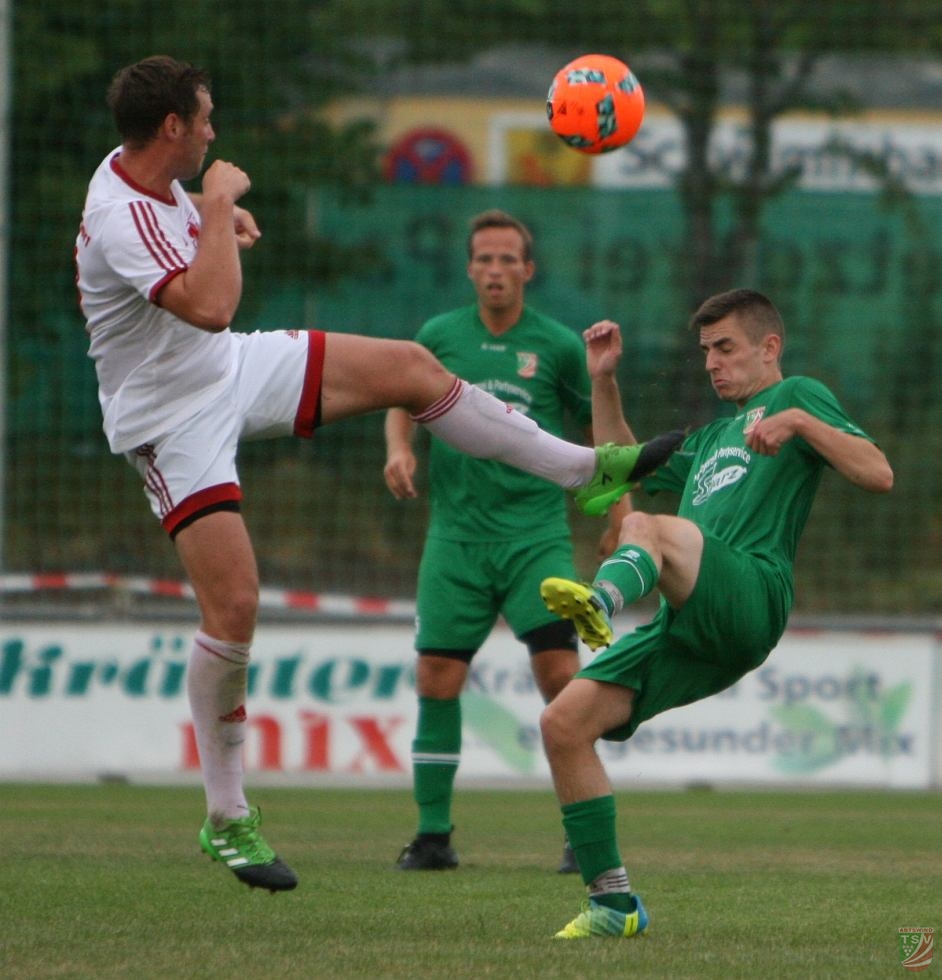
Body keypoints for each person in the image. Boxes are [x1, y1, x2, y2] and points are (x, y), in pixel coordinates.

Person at [74, 55, 682, 894]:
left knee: (409, 364)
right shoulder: (118, 211)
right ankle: (226, 818)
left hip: (224, 369)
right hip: (166, 422)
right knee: (235, 606)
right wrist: (219, 206)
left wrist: (219, 224)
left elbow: (208, 298)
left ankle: (586, 469)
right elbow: (212, 302)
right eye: (206, 118)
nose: (215, 131)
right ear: (173, 128)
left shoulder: (155, 180)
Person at [538, 289, 893, 938]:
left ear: (769, 348)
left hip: (753, 595)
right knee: (563, 723)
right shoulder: (709, 440)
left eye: (725, 348)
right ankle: (613, 905)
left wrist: (803, 425)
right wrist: (604, 380)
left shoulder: (797, 395)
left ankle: (602, 601)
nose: (711, 363)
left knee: (653, 528)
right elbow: (622, 462)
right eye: (705, 352)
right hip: (692, 621)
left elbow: (878, 472)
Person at [384, 210, 625, 874]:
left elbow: (603, 433)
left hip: (535, 539)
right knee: (437, 676)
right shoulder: (440, 336)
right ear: (469, 269)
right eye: (484, 259)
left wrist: (619, 515)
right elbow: (400, 393)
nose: (495, 270)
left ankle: (585, 836)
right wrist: (400, 448)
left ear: (528, 270)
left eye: (507, 260)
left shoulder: (555, 346)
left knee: (563, 679)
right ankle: (432, 836)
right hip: (455, 540)